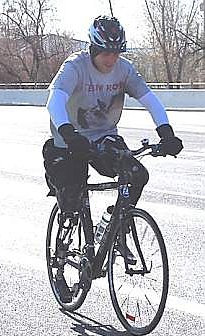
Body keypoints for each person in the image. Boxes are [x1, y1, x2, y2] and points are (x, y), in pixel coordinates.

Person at [42, 16, 183, 302]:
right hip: (68, 141)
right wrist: (68, 132)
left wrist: (166, 132)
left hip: (104, 136)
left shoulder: (124, 70)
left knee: (137, 174)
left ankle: (115, 220)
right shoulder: (74, 67)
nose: (111, 58)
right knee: (70, 198)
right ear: (93, 48)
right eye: (106, 52)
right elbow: (54, 99)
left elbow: (149, 99)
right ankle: (61, 260)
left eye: (116, 52)